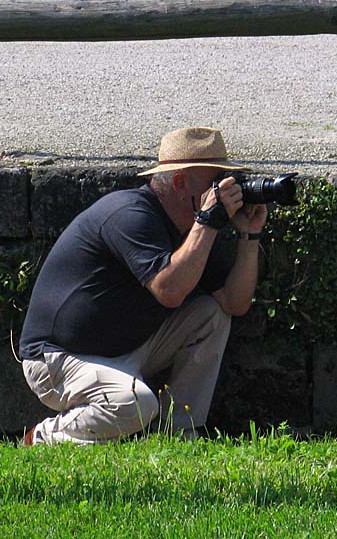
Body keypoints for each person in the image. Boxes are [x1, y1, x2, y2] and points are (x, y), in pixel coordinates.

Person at [19, 126, 267, 445]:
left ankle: (177, 433)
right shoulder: (130, 214)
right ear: (180, 183)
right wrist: (208, 220)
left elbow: (235, 304)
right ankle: (42, 437)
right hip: (60, 359)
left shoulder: (193, 228)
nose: (223, 191)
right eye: (214, 182)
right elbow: (169, 291)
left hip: (126, 349)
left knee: (211, 313)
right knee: (137, 404)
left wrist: (249, 235)